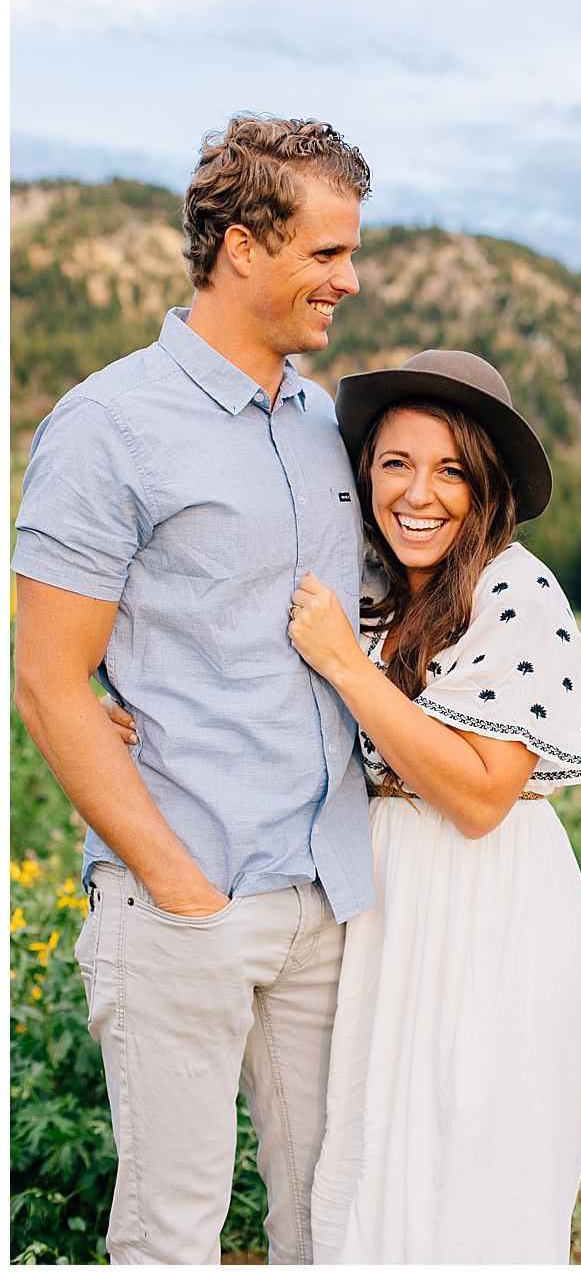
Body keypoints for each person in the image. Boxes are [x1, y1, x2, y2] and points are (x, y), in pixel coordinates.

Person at [12, 117, 373, 1263]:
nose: (349, 280)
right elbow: (48, 679)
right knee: (173, 1233)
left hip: (328, 903)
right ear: (241, 246)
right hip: (185, 902)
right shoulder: (108, 426)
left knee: (331, 1224)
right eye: (326, 253)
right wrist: (178, 885)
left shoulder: (328, 426)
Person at [288, 350, 581, 1262]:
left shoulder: (514, 589)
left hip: (491, 915)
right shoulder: (376, 592)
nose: (418, 493)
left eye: (450, 470)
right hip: (394, 915)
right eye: (396, 464)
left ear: (486, 487)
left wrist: (347, 665)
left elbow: (477, 798)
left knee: (474, 1178)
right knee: (380, 1170)